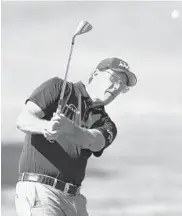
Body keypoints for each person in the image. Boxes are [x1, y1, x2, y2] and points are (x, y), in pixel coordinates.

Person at [15, 57, 137, 216]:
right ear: (95, 74)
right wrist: (45, 127)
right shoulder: (59, 88)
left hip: (74, 201)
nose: (116, 87)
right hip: (40, 191)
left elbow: (94, 141)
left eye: (122, 86)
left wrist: (70, 128)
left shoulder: (106, 124)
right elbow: (23, 119)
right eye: (113, 78)